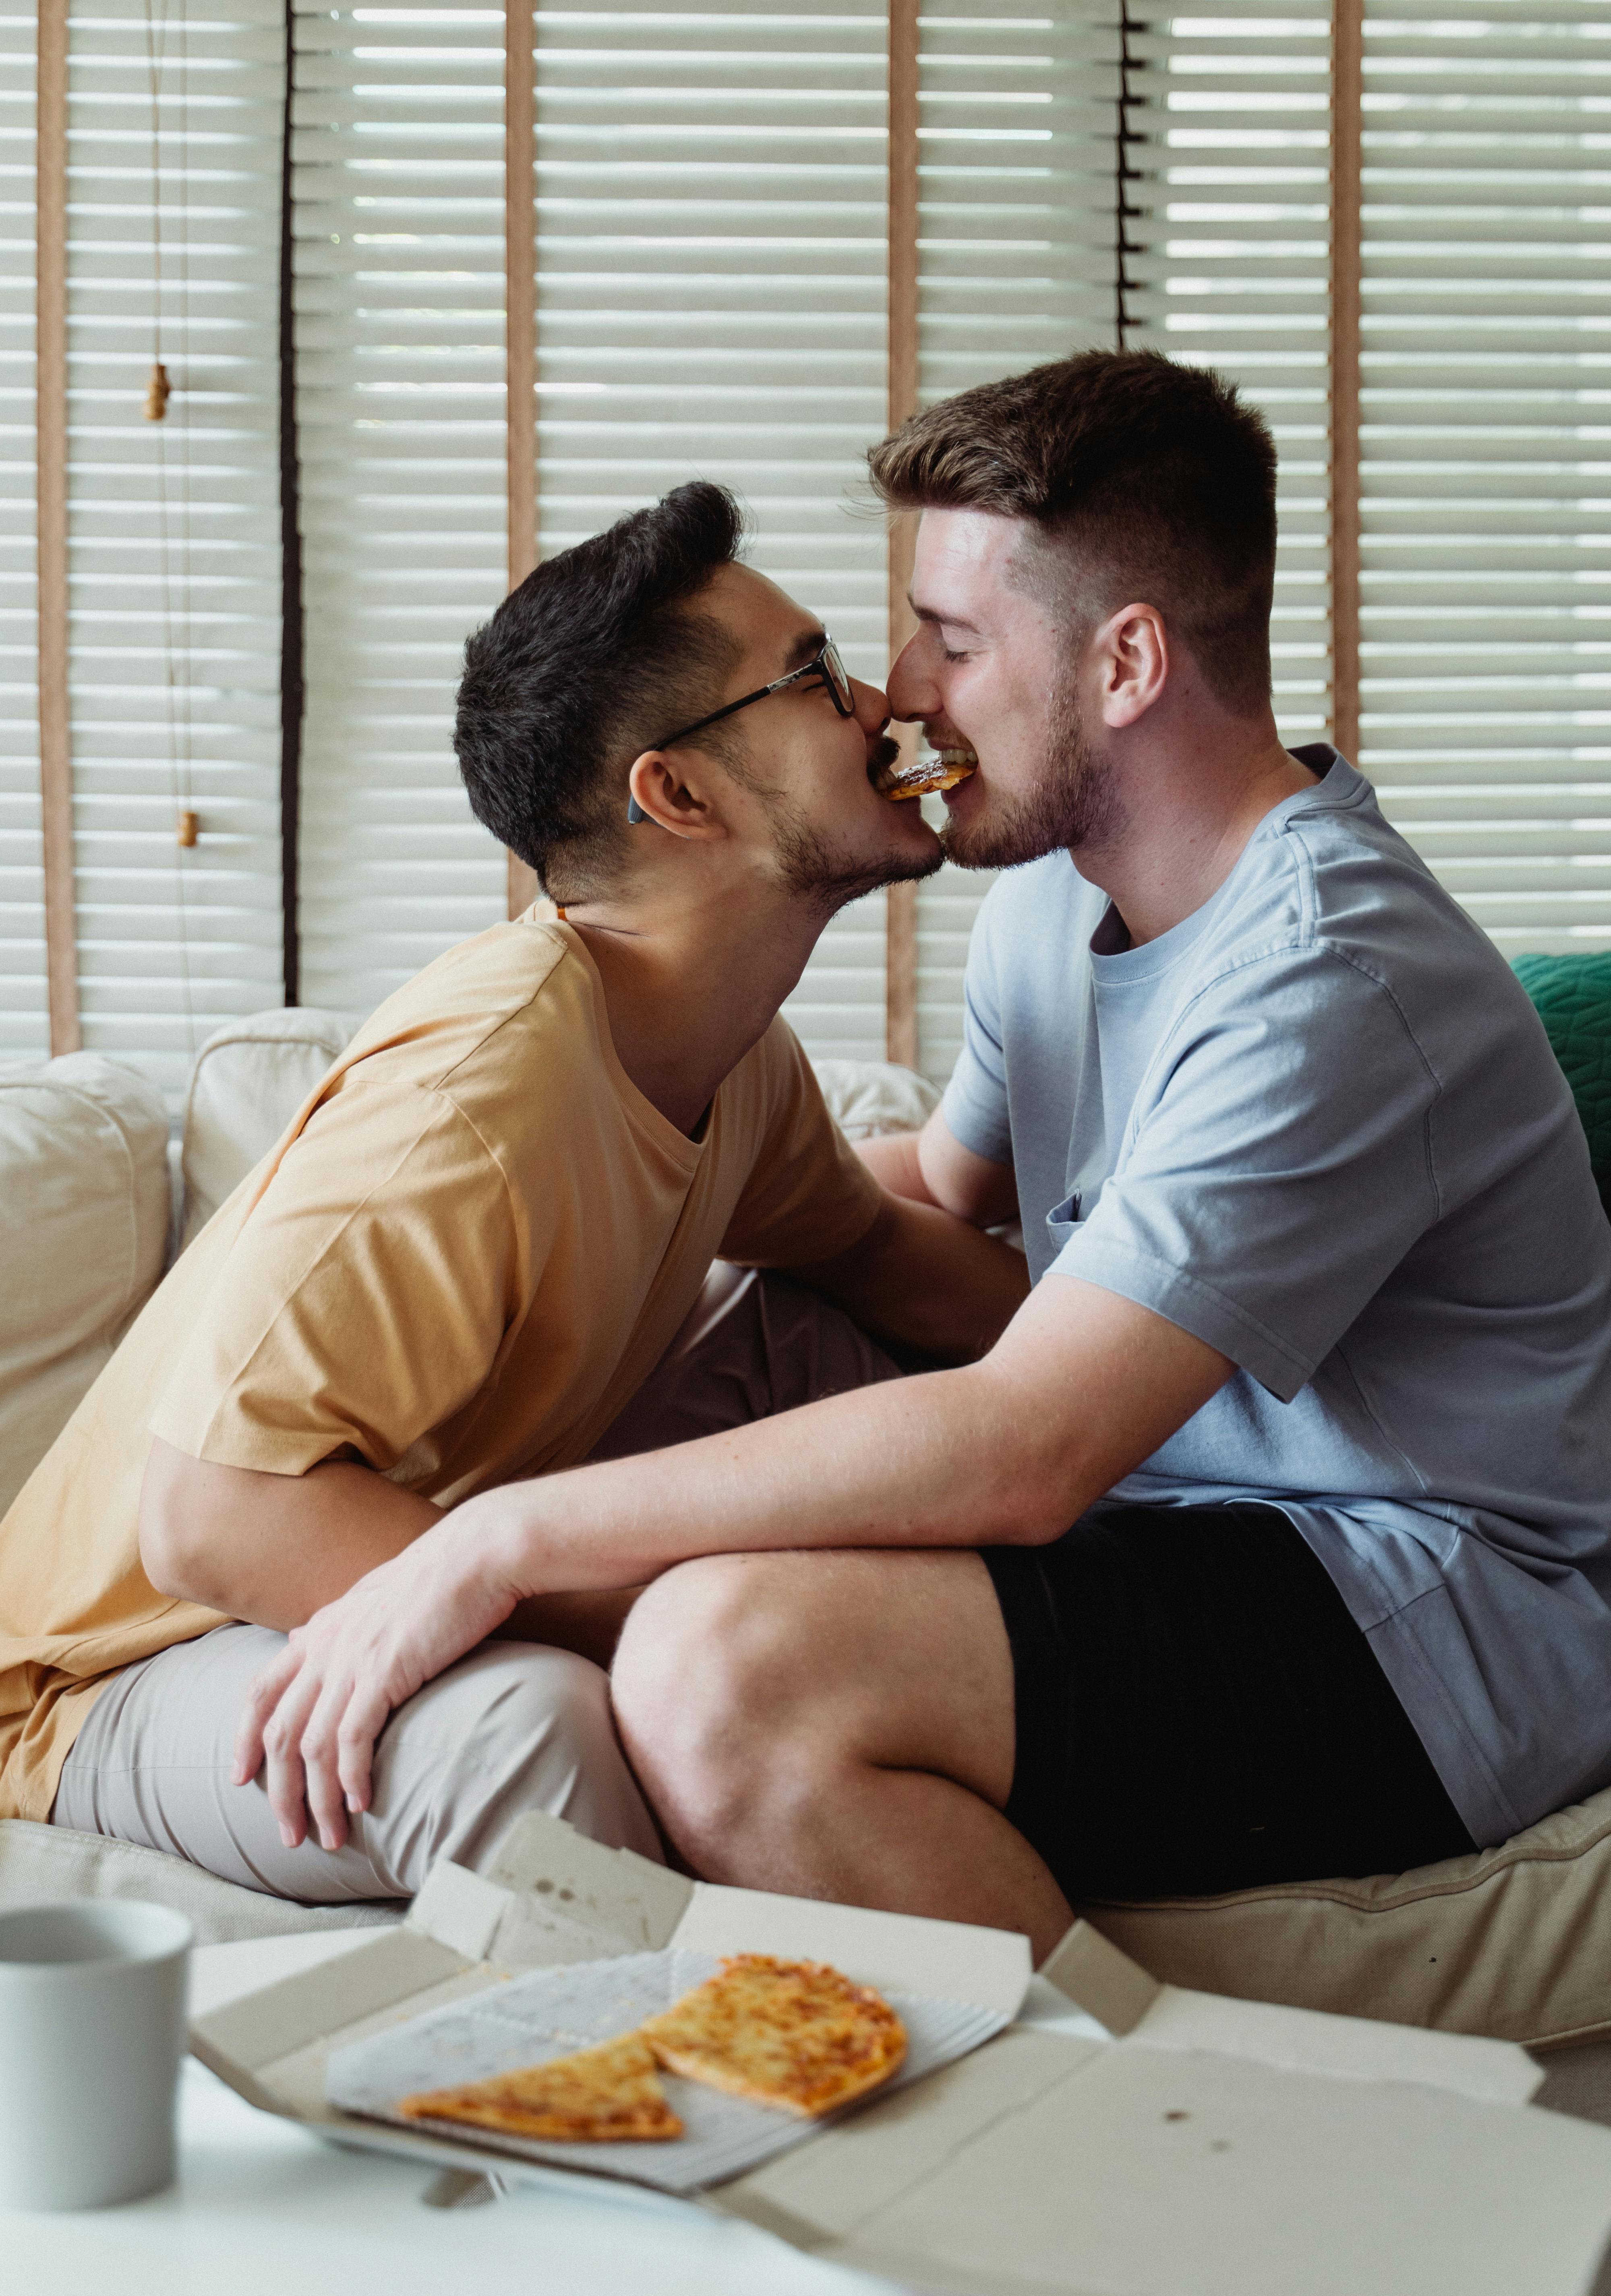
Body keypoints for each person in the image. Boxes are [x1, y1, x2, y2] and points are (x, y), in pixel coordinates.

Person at [233, 351, 1611, 1962]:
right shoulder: (1050, 894)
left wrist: (495, 1539)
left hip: (1430, 1610)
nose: (897, 693)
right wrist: (600, 1236)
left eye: (952, 639)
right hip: (1183, 1526)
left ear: (1125, 665)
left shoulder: (1330, 978)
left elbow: (1026, 1449)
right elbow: (938, 1206)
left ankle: (1090, 2149)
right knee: (765, 1348)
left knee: (720, 1662)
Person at [0, 481, 1027, 1903]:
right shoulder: (479, 1096)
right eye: (813, 677)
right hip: (121, 1667)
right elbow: (210, 1514)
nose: (881, 703)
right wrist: (666, 1610)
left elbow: (877, 1257)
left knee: (830, 1343)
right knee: (526, 1735)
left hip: (362, 1551)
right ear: (676, 794)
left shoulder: (733, 1058)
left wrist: (1196, 1387)